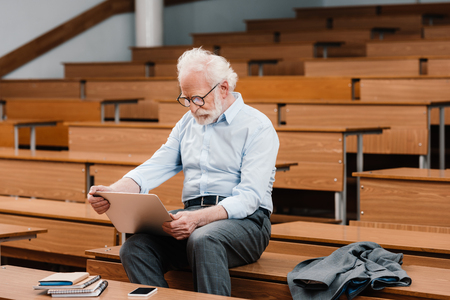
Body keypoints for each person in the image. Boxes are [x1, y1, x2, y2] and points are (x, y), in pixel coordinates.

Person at [87, 47, 279, 296]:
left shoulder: (258, 126)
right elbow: (156, 166)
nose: (192, 108)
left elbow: (250, 198)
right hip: (193, 218)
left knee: (204, 240)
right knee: (134, 248)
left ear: (223, 88)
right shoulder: (188, 123)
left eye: (198, 98)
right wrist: (112, 192)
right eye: (186, 99)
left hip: (247, 224)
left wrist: (198, 220)